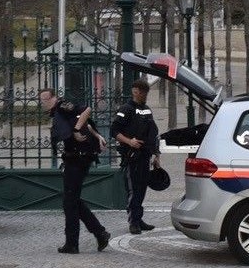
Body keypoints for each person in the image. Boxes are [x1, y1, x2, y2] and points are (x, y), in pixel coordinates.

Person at [39, 87, 112, 253]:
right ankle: (99, 233)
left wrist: (76, 130)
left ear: (53, 98)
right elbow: (82, 120)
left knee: (70, 202)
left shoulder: (63, 106)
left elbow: (86, 110)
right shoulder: (58, 112)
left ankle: (73, 243)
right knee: (72, 200)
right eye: (41, 100)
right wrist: (94, 134)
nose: (42, 103)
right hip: (75, 158)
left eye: (45, 99)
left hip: (78, 158)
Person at [111, 78, 160, 234]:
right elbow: (114, 131)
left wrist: (156, 156)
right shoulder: (126, 109)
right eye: (142, 92)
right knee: (134, 190)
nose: (144, 95)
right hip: (132, 156)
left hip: (145, 155)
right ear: (135, 91)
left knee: (142, 189)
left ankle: (138, 218)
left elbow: (153, 134)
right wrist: (129, 142)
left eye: (146, 92)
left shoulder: (146, 109)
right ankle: (133, 222)